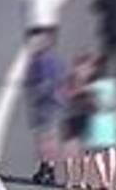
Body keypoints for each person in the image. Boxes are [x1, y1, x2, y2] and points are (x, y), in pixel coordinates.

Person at [25, 33, 66, 185]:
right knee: (52, 138)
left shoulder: (37, 62)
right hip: (56, 104)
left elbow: (36, 83)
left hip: (44, 104)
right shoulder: (58, 61)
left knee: (43, 139)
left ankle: (45, 168)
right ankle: (50, 169)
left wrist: (36, 92)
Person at [83, 55, 116, 190]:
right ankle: (111, 182)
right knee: (111, 150)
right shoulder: (113, 85)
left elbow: (88, 103)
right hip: (111, 120)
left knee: (97, 153)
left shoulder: (93, 85)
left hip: (97, 121)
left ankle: (103, 181)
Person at [61, 55, 95, 190]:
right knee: (85, 153)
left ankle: (69, 181)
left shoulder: (70, 81)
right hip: (85, 120)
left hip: (70, 118)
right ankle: (82, 181)